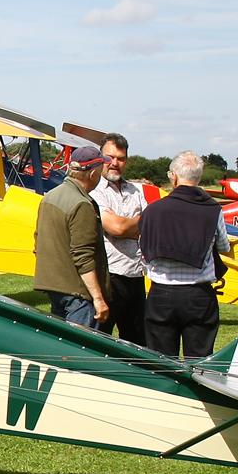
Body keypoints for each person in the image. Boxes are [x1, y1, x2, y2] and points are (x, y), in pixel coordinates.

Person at [139, 151, 230, 359]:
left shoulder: (153, 210)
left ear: (174, 176)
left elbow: (142, 250)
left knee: (161, 363)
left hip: (161, 294)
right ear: (198, 177)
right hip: (198, 295)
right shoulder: (213, 210)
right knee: (199, 361)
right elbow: (224, 246)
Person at [33, 145, 111, 328]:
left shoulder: (49, 197)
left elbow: (38, 240)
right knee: (81, 350)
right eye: (99, 173)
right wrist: (98, 298)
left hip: (55, 289)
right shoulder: (82, 204)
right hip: (78, 294)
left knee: (62, 345)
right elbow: (83, 256)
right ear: (93, 175)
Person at [90, 132, 147, 342]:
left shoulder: (135, 190)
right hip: (109, 276)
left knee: (138, 342)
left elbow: (149, 226)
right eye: (109, 157)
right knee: (99, 338)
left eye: (120, 158)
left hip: (135, 274)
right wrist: (134, 224)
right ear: (100, 158)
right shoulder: (95, 191)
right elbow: (116, 228)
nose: (115, 163)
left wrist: (128, 225)